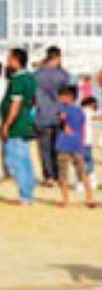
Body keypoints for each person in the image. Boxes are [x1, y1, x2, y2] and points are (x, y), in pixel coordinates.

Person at [2, 47, 38, 205]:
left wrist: (6, 124)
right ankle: (28, 192)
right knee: (25, 160)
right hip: (25, 122)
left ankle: (25, 195)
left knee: (14, 160)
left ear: (16, 60)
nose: (8, 62)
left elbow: (15, 104)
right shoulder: (30, 78)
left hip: (16, 125)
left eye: (10, 59)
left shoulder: (17, 80)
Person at [32, 46, 70, 187]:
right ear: (58, 58)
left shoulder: (37, 75)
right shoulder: (63, 75)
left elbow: (32, 98)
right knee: (59, 148)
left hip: (42, 115)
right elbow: (69, 96)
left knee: (45, 149)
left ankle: (49, 176)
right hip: (60, 115)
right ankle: (60, 175)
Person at [53, 89, 96, 208]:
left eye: (61, 96)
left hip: (64, 142)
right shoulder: (80, 111)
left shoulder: (63, 109)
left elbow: (62, 120)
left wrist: (64, 124)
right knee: (82, 172)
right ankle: (90, 197)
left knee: (63, 172)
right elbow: (82, 128)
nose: (59, 98)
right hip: (77, 143)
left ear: (68, 97)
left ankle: (65, 199)